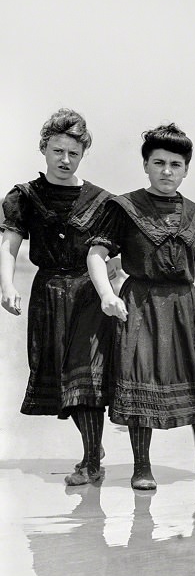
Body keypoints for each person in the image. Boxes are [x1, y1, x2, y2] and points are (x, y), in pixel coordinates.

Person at [86, 122, 195, 490]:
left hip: (185, 306)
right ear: (146, 165)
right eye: (159, 163)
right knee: (139, 378)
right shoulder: (124, 207)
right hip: (140, 303)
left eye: (175, 164)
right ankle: (142, 467)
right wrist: (107, 295)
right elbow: (97, 253)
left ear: (186, 169)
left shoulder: (194, 214)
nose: (167, 171)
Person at [0, 108, 115, 485]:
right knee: (63, 378)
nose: (65, 160)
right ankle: (91, 447)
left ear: (83, 155)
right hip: (47, 294)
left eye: (73, 153)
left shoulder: (101, 201)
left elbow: (122, 253)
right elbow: (9, 245)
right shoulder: (24, 196)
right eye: (57, 151)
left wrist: (113, 287)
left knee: (87, 377)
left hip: (88, 295)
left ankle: (92, 464)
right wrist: (7, 284)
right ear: (44, 148)